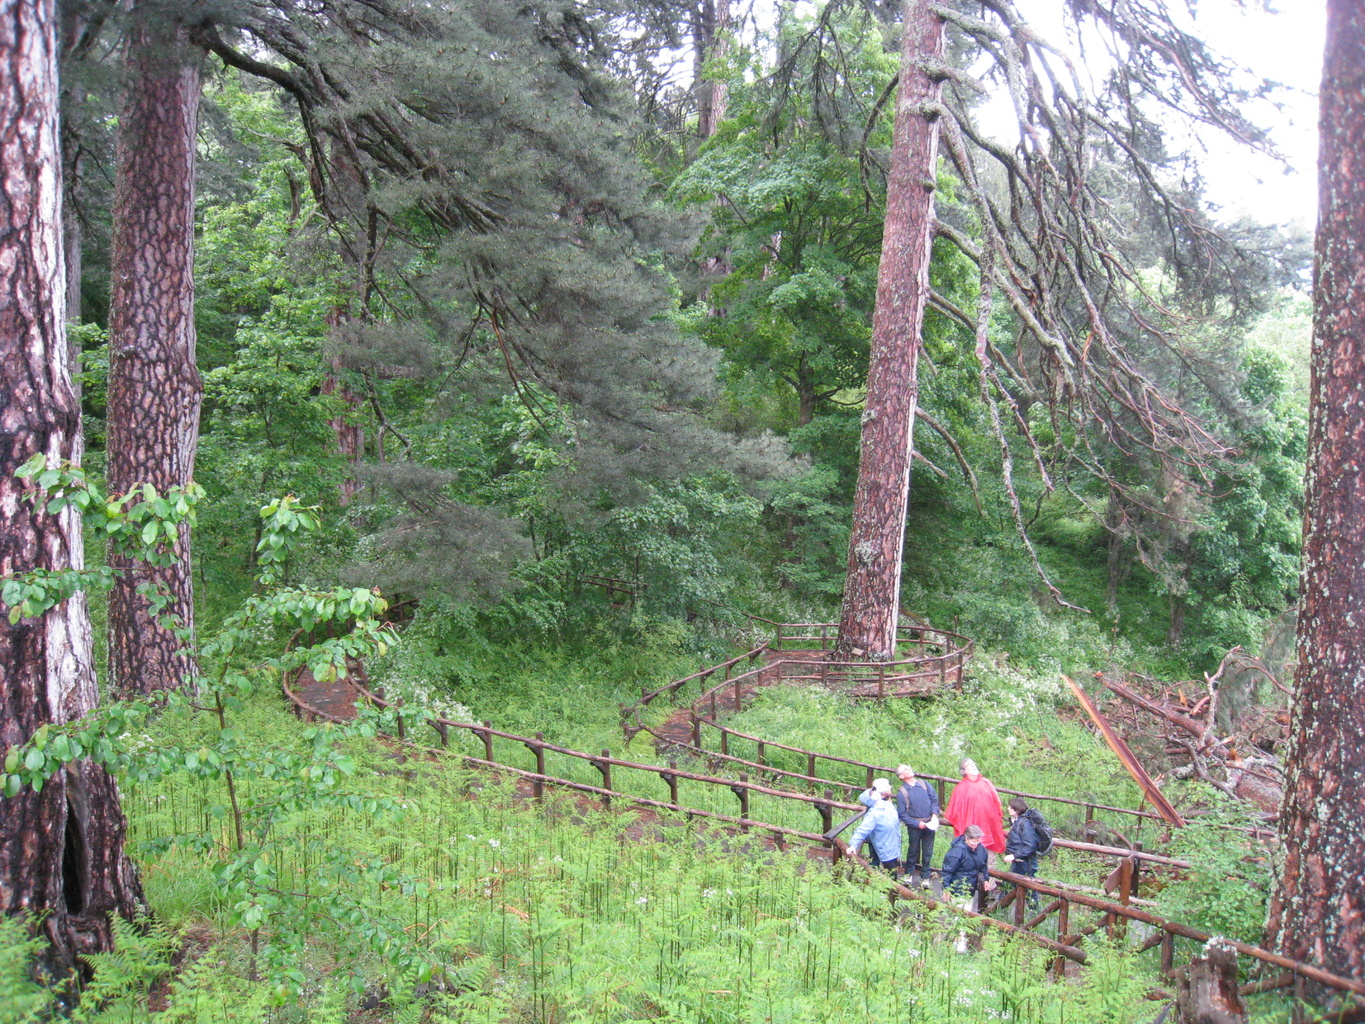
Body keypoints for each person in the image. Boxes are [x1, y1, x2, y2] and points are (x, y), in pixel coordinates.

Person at [940, 823, 996, 951]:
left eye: (977, 841)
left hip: (970, 889)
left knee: (964, 916)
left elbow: (983, 866)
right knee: (958, 917)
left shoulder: (981, 849)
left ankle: (953, 942)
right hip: (957, 889)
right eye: (972, 841)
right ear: (966, 838)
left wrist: (986, 879)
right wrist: (946, 889)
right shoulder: (956, 852)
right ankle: (957, 945)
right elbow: (947, 872)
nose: (975, 843)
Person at [944, 757, 1007, 859]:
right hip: (972, 829)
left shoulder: (986, 783)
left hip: (989, 827)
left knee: (989, 859)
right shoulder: (960, 788)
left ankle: (988, 874)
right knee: (971, 859)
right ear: (964, 771)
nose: (972, 766)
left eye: (973, 764)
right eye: (968, 765)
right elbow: (955, 813)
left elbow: (997, 804)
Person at [895, 764, 940, 888]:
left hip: (930, 823)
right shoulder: (902, 792)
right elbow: (902, 814)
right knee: (913, 850)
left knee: (927, 851)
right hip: (914, 826)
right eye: (905, 769)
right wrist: (916, 824)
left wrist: (934, 815)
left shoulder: (924, 784)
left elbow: (934, 800)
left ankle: (925, 877)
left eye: (908, 767)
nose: (909, 769)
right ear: (901, 776)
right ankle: (909, 873)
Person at [848, 778, 903, 875]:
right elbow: (862, 829)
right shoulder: (875, 812)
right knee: (888, 871)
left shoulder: (889, 805)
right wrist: (853, 845)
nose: (890, 787)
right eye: (888, 786)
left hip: (892, 844)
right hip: (883, 844)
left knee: (890, 871)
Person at [1003, 797, 1042, 908]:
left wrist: (1014, 855)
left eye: (1010, 807)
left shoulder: (1025, 824)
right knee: (1011, 884)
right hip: (1019, 861)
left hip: (1025, 862)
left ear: (1017, 809)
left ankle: (1033, 912)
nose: (1008, 808)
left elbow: (1031, 845)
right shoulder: (1018, 821)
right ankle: (999, 909)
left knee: (1028, 888)